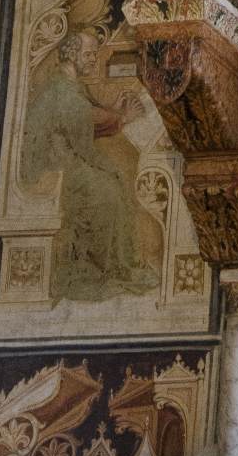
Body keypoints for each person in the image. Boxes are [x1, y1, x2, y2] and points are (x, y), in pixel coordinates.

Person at [20, 29, 158, 300]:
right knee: (107, 194)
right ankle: (99, 269)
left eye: (95, 53)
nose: (94, 59)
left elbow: (83, 122)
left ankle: (116, 265)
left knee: (115, 183)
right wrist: (122, 117)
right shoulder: (61, 87)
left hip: (68, 157)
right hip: (55, 166)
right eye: (89, 54)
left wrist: (116, 112)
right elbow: (84, 119)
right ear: (72, 55)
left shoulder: (73, 84)